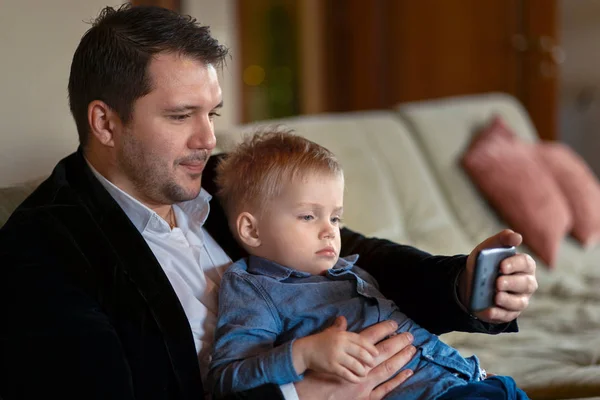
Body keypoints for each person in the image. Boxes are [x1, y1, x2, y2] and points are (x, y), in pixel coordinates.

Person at [0, 3, 538, 400]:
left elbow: (353, 255)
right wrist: (301, 397)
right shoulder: (42, 249)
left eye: (210, 114)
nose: (207, 139)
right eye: (180, 115)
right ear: (105, 122)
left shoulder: (220, 178)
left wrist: (463, 286)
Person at [208, 130, 530, 400]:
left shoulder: (348, 269)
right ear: (251, 229)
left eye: (335, 217)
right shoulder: (253, 286)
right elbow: (228, 378)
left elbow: (400, 270)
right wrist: (303, 353)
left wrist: (467, 283)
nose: (329, 230)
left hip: (474, 380)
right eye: (308, 216)